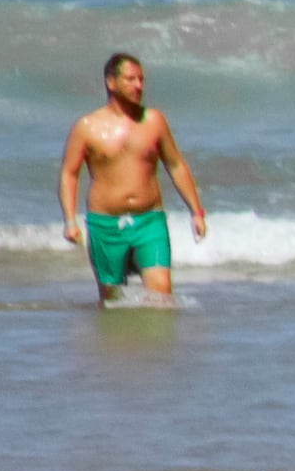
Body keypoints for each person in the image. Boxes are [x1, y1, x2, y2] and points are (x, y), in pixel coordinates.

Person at [58, 51, 206, 306]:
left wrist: (197, 211)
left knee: (162, 298)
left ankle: (157, 346)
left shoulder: (154, 121)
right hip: (105, 225)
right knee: (112, 302)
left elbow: (176, 165)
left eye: (141, 79)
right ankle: (120, 346)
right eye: (131, 79)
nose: (139, 85)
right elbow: (69, 174)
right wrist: (70, 220)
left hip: (149, 221)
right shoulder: (86, 127)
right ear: (111, 82)